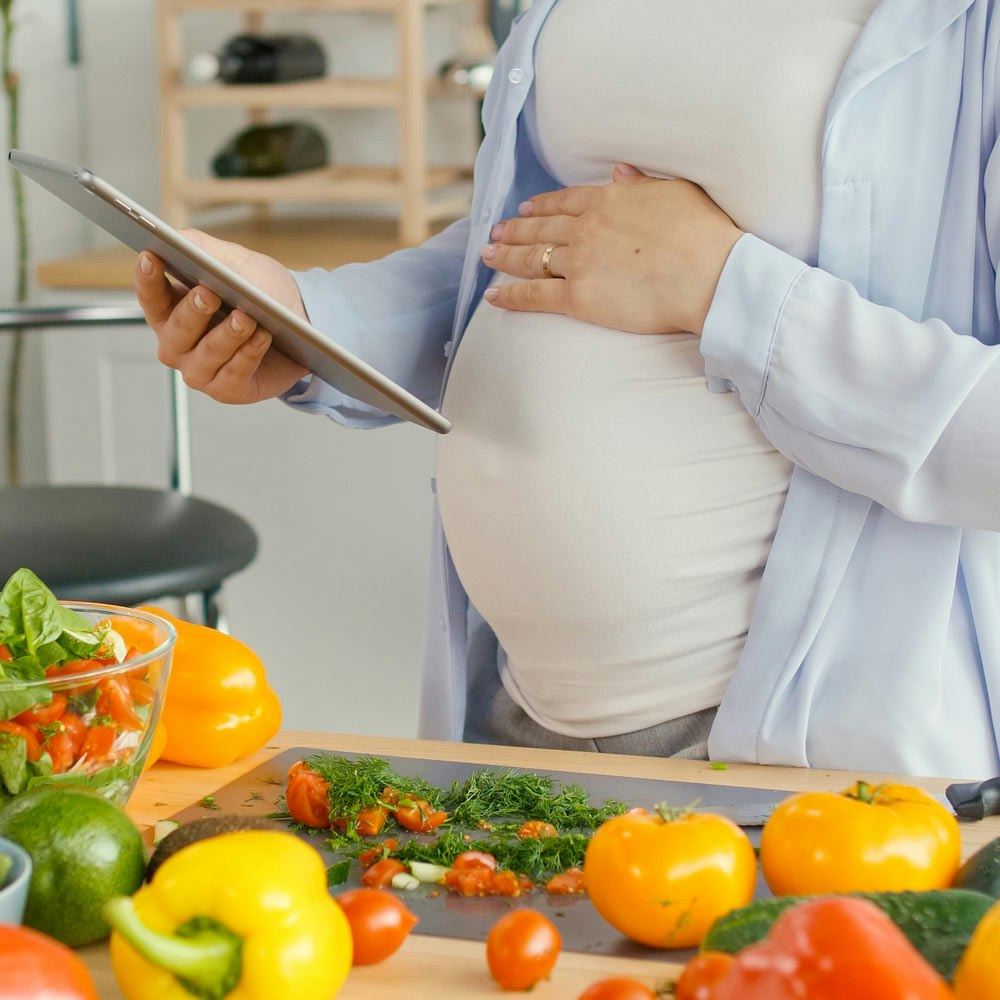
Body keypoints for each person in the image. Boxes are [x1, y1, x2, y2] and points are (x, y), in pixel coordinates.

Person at [135, 0, 1000, 779]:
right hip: (518, 710)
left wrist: (721, 288)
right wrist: (313, 325)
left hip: (779, 737)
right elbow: (546, 238)